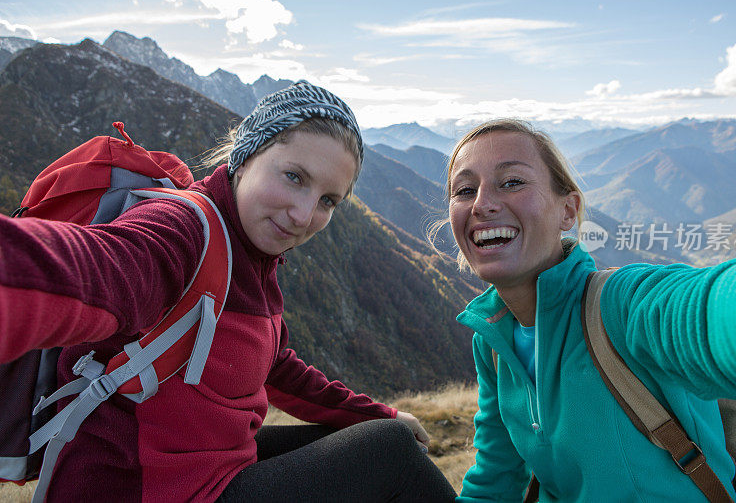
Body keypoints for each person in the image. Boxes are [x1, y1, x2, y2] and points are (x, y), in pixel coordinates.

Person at [0, 81, 456, 502]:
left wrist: (382, 414)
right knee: (390, 455)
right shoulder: (182, 231)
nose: (303, 215)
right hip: (141, 488)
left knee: (377, 441)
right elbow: (93, 271)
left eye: (327, 201)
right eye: (294, 176)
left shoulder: (252, 254)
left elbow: (276, 366)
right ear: (245, 156)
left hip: (206, 468)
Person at [431, 118, 736, 501]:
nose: (483, 204)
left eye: (512, 182)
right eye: (465, 190)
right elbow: (496, 477)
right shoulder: (493, 341)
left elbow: (704, 309)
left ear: (568, 211)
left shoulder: (620, 305)